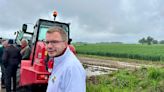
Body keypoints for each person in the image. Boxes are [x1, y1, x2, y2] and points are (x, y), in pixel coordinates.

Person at [45, 26, 86, 92]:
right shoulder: (58, 60)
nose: (49, 46)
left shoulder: (72, 68)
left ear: (65, 44)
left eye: (54, 42)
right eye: (47, 42)